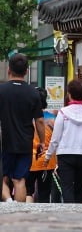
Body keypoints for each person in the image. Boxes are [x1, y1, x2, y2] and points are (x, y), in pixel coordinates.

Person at [45, 79, 82, 204]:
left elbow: (56, 137)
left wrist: (48, 155)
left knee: (66, 186)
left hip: (65, 154)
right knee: (80, 187)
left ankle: (68, 212)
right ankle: (79, 212)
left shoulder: (62, 113)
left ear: (69, 94)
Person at [0, 54, 45, 203]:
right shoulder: (33, 92)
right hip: (25, 143)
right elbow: (39, 120)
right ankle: (17, 211)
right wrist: (42, 142)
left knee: (3, 178)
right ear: (26, 71)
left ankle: (8, 202)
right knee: (20, 180)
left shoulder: (2, 90)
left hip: (4, 142)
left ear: (9, 70)